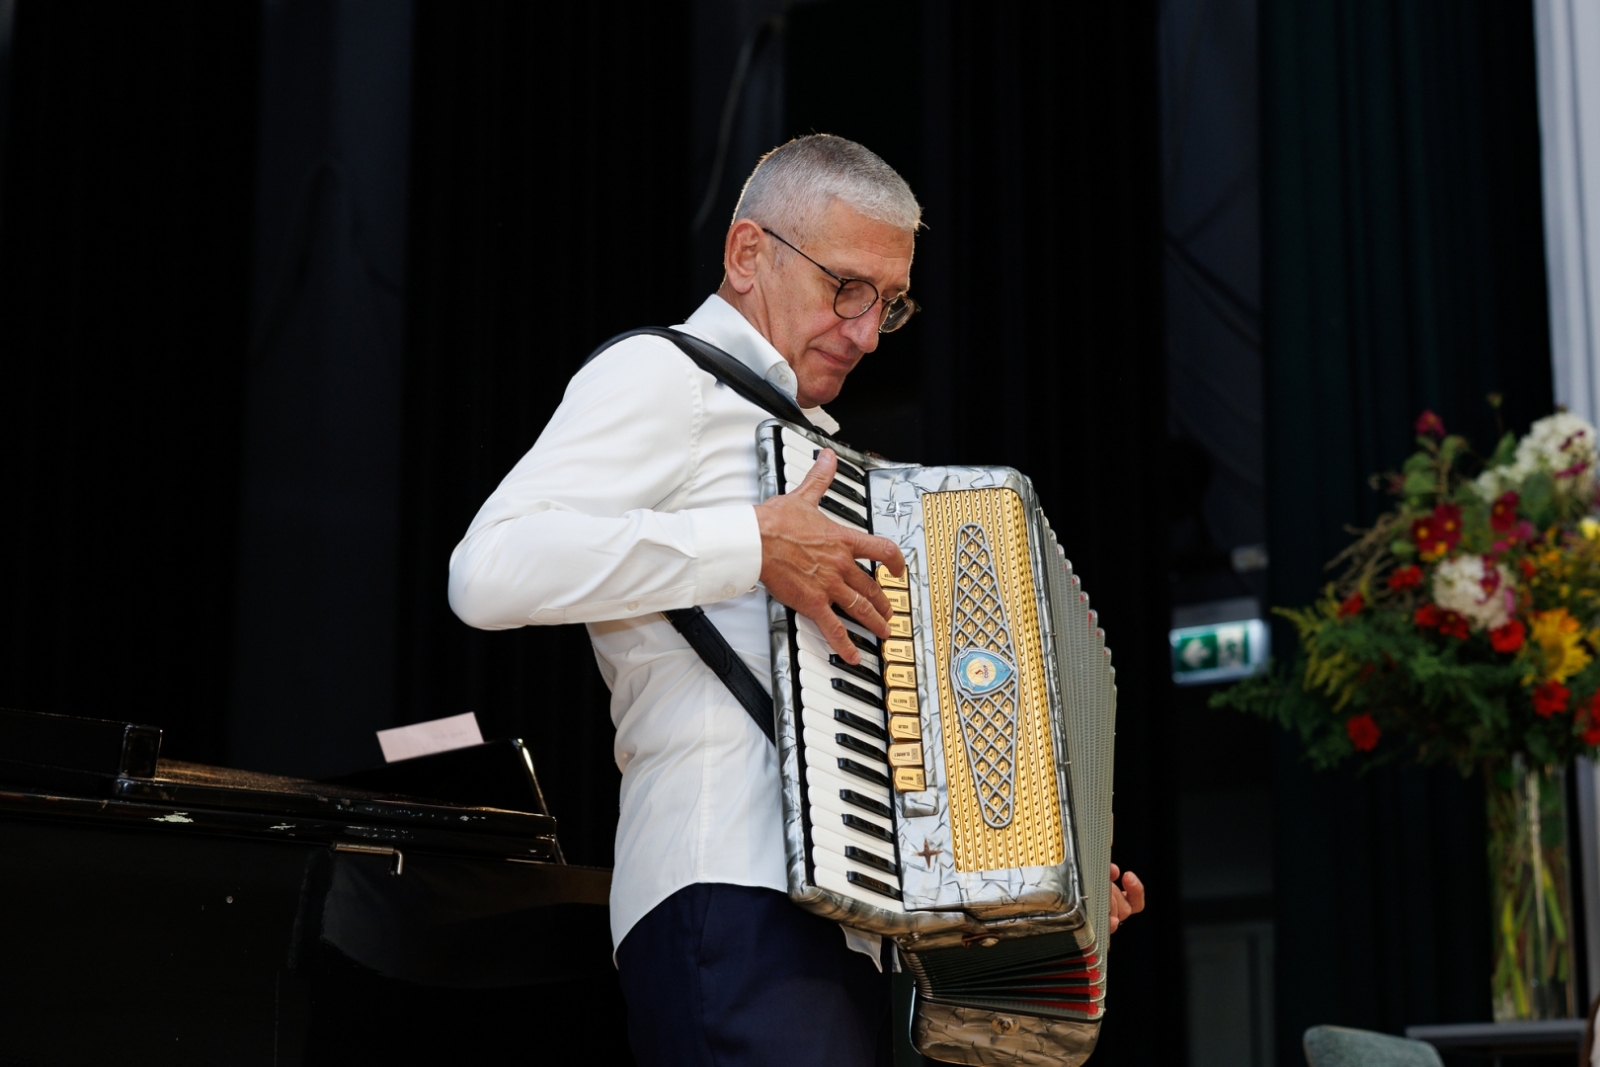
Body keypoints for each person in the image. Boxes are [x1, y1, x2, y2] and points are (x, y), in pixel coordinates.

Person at [447, 135, 1144, 1067]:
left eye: (888, 305)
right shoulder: (667, 378)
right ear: (747, 254)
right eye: (845, 287)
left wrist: (1019, 857)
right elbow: (487, 570)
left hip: (844, 934)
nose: (863, 331)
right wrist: (749, 543)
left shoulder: (809, 445)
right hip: (727, 894)